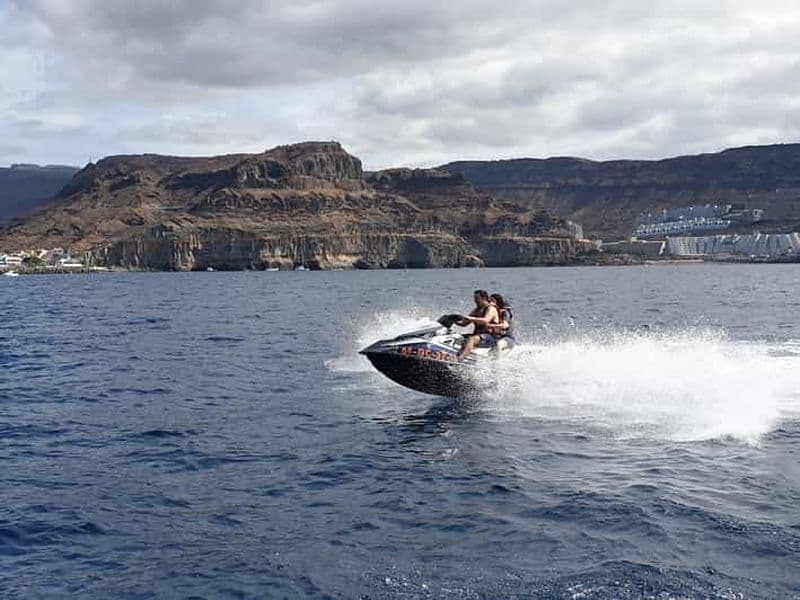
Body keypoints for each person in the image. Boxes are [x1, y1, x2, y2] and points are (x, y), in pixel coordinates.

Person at [456, 289, 499, 360]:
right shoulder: (476, 310)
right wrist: (454, 320)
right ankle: (451, 355)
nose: (475, 301)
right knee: (456, 337)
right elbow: (464, 324)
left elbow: (485, 320)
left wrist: (470, 318)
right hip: (479, 336)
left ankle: (460, 359)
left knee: (471, 339)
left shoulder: (491, 309)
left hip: (490, 337)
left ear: (484, 298)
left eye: (477, 298)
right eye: (474, 298)